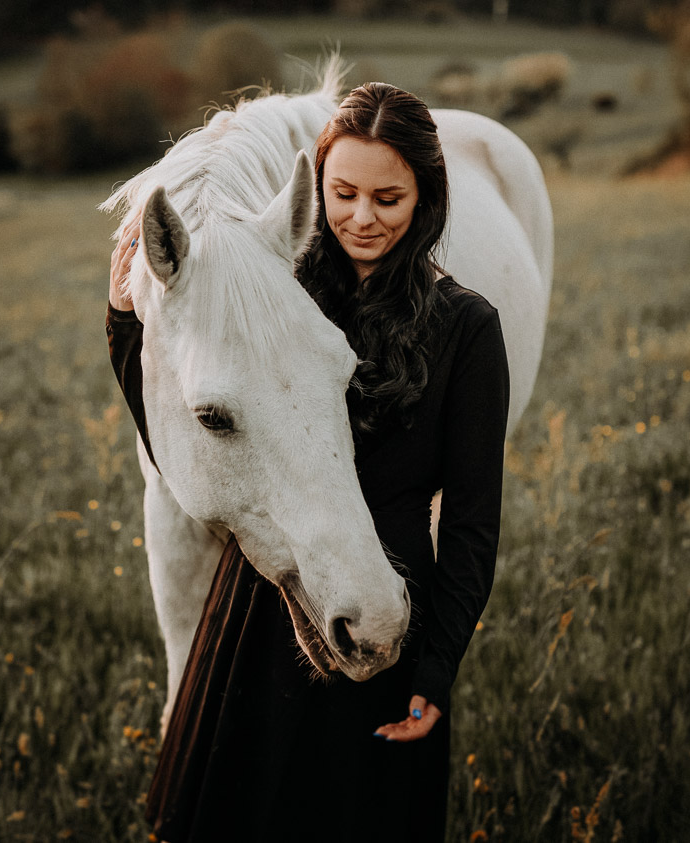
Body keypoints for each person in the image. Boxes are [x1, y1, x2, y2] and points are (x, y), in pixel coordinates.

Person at [106, 82, 510, 843]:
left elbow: (471, 523)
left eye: (389, 198)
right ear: (316, 189)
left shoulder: (467, 326)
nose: (362, 217)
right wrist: (125, 310)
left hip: (380, 593)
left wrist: (437, 669)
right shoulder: (282, 285)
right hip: (257, 607)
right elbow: (175, 398)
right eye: (344, 192)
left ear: (425, 199)